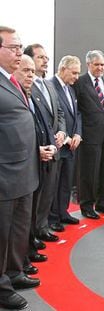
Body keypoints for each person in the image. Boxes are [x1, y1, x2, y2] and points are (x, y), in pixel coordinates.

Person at [0, 25, 40, 310]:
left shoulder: (11, 81)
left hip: (24, 171)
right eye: (13, 47)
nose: (19, 51)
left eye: (20, 46)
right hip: (4, 174)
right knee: (1, 234)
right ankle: (1, 289)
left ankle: (13, 272)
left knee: (17, 229)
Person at [15, 55, 57, 276]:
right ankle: (19, 263)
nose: (30, 75)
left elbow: (44, 126)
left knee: (30, 215)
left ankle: (27, 253)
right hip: (21, 166)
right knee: (21, 219)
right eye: (26, 70)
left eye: (33, 71)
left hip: (39, 160)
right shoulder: (15, 97)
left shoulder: (32, 96)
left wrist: (49, 147)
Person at [24, 43, 66, 241]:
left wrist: (62, 132)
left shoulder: (49, 84)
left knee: (48, 192)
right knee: (36, 196)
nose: (46, 60)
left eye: (46, 58)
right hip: (38, 149)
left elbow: (59, 112)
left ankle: (42, 229)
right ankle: (31, 235)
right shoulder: (26, 84)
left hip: (54, 147)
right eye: (41, 57)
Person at [74, 50, 104, 219]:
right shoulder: (80, 82)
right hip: (89, 134)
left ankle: (102, 202)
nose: (100, 68)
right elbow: (76, 109)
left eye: (102, 65)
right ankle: (87, 205)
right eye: (96, 64)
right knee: (89, 172)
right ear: (88, 64)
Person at [49, 55, 82, 227]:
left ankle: (63, 212)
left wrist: (77, 134)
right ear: (63, 69)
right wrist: (67, 138)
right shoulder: (50, 86)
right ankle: (53, 218)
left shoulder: (71, 89)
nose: (77, 77)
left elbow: (77, 114)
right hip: (59, 144)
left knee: (66, 181)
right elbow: (52, 116)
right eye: (74, 73)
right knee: (54, 183)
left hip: (72, 145)